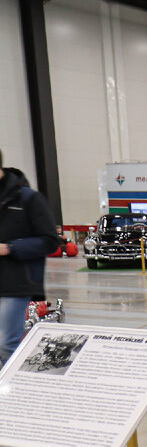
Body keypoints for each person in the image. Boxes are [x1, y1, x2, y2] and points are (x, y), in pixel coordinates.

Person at [0, 149, 59, 367]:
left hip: (16, 283)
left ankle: (16, 393)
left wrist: (10, 248)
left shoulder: (28, 199)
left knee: (6, 344)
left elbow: (50, 240)